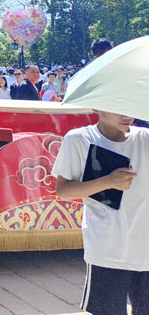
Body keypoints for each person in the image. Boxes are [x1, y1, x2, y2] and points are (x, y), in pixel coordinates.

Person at [53, 109, 149, 315]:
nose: (127, 114)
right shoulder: (79, 139)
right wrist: (108, 181)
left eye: (130, 106)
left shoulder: (145, 138)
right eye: (118, 107)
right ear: (97, 106)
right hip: (108, 251)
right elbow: (63, 190)